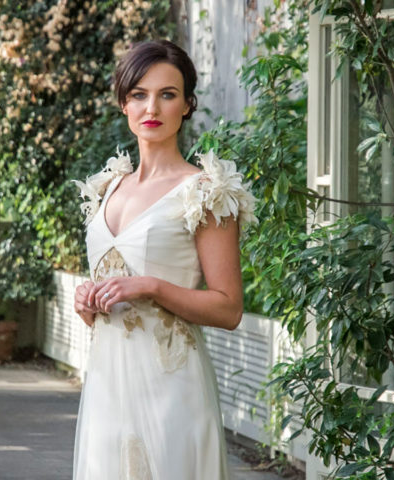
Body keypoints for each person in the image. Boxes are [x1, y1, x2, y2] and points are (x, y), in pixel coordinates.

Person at [71, 39, 256, 479]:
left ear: (187, 105)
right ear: (124, 103)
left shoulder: (206, 193)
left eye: (167, 94)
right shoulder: (108, 188)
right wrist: (87, 302)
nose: (151, 106)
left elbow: (228, 308)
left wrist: (150, 285)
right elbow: (111, 295)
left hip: (171, 386)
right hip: (106, 389)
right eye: (139, 94)